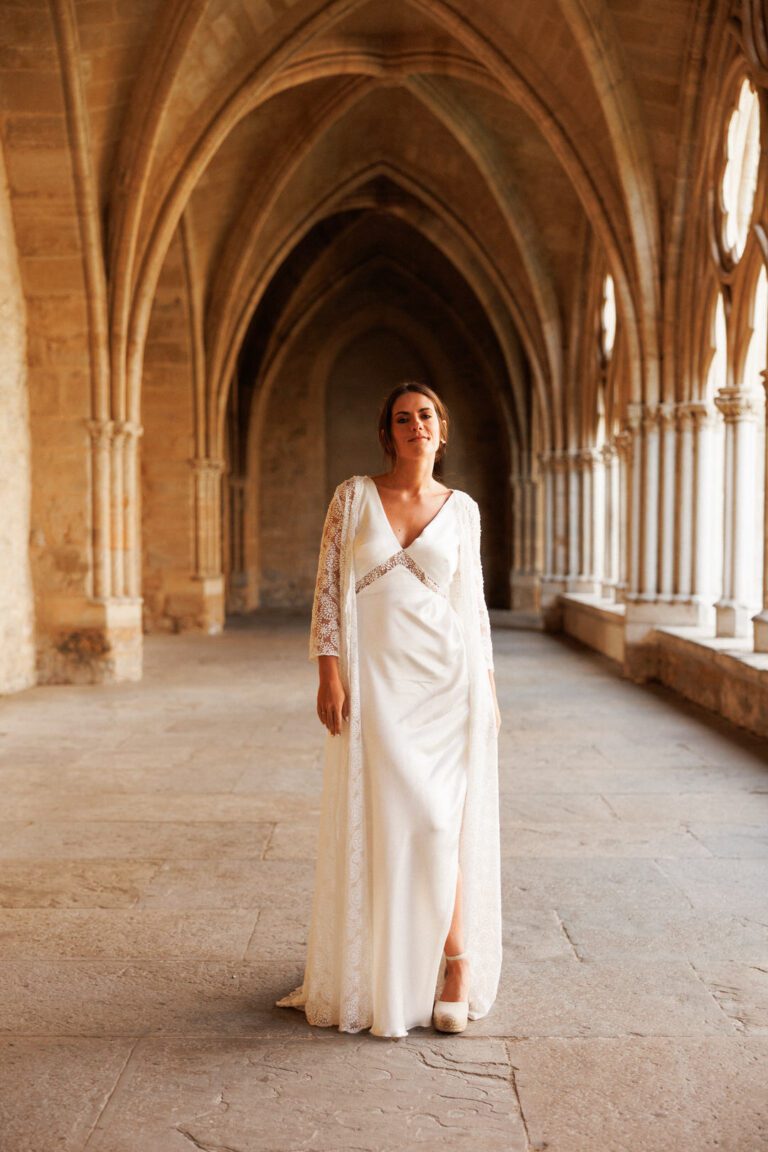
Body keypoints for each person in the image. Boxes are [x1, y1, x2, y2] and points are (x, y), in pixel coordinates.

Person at [275, 382, 502, 1038]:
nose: (415, 426)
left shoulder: (463, 511)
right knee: (385, 825)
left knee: (437, 824)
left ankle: (455, 963)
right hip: (374, 683)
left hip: (444, 684)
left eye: (426, 415)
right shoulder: (351, 498)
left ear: (443, 429)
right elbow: (326, 589)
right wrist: (328, 672)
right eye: (403, 418)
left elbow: (474, 608)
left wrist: (485, 690)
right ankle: (381, 970)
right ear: (388, 433)